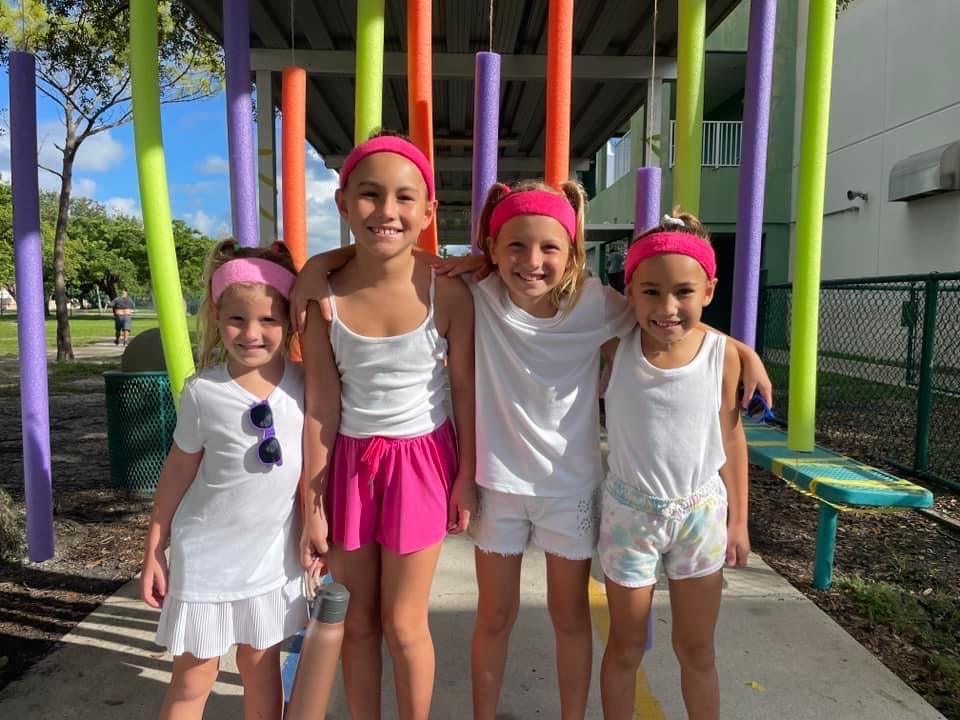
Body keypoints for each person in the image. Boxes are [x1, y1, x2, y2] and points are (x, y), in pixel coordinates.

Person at [293, 178, 770, 720]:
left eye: (549, 247)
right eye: (515, 245)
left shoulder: (597, 305)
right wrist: (317, 266)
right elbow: (390, 252)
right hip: (498, 487)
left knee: (570, 620)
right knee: (494, 619)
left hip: (570, 489)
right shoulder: (478, 291)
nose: (532, 261)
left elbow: (670, 317)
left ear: (572, 251)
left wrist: (739, 350)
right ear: (492, 249)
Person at [297, 132, 476, 720]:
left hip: (422, 465)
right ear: (343, 202)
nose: (387, 210)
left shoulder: (448, 292)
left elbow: (465, 390)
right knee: (356, 620)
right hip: (348, 466)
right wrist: (311, 503)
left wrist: (466, 475)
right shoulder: (322, 296)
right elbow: (321, 403)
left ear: (429, 211)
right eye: (370, 194)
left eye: (405, 197)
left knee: (403, 623)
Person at [140, 239, 306, 720]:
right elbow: (177, 471)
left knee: (261, 669)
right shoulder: (202, 392)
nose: (251, 333)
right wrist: (154, 548)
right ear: (216, 316)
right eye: (237, 319)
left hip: (269, 560)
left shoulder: (307, 382)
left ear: (290, 320)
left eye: (269, 319)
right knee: (194, 678)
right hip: (205, 561)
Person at [598, 212, 750, 720]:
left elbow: (732, 437)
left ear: (709, 290)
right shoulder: (613, 347)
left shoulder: (722, 356)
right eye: (651, 292)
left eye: (683, 292)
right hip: (629, 518)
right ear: (629, 292)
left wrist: (739, 521)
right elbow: (556, 300)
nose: (667, 307)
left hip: (700, 516)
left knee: (697, 650)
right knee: (624, 647)